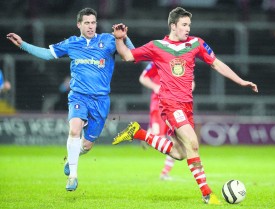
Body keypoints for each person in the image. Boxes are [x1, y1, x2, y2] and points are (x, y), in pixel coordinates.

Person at [112, 7, 258, 205]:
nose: (188, 28)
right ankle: (208, 194)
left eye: (189, 24)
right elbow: (127, 56)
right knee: (193, 142)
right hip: (169, 104)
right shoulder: (157, 46)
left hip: (187, 106)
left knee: (180, 153)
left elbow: (216, 63)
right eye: (184, 25)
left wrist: (240, 81)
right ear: (173, 26)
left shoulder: (196, 44)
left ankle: (138, 133)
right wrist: (119, 39)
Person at [7, 7, 134, 192]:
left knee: (87, 145)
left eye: (93, 23)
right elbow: (46, 54)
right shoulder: (72, 43)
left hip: (100, 100)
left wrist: (123, 37)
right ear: (79, 24)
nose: (91, 26)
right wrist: (22, 44)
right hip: (78, 96)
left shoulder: (108, 39)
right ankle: (73, 176)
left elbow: (133, 54)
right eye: (87, 23)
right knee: (74, 130)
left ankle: (72, 158)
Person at [139, 61, 195, 180]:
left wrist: (186, 92)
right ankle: (144, 135)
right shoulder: (157, 61)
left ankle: (164, 173)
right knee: (162, 139)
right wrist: (155, 87)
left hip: (177, 106)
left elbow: (192, 82)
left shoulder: (184, 62)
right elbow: (143, 78)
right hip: (159, 104)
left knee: (179, 141)